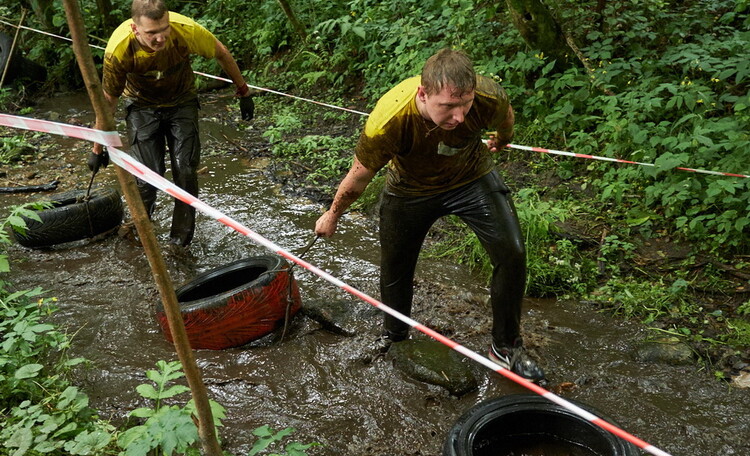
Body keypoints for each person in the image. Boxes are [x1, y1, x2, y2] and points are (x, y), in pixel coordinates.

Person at [314, 48, 545, 382]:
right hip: (410, 190)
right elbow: (359, 175)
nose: (460, 116)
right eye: (448, 107)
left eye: (464, 104)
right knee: (396, 267)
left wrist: (504, 139)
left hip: (471, 179)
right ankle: (395, 338)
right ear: (423, 94)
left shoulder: (487, 96)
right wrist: (333, 214)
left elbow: (505, 115)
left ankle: (505, 346)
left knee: (513, 253)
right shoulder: (390, 120)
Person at [90, 0, 254, 247]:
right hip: (141, 106)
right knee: (148, 176)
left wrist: (243, 90)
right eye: (151, 33)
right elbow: (108, 103)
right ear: (136, 29)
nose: (159, 38)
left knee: (186, 172)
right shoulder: (120, 49)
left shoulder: (185, 30)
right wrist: (97, 147)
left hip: (181, 101)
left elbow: (221, 52)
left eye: (163, 29)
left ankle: (180, 243)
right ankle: (137, 236)